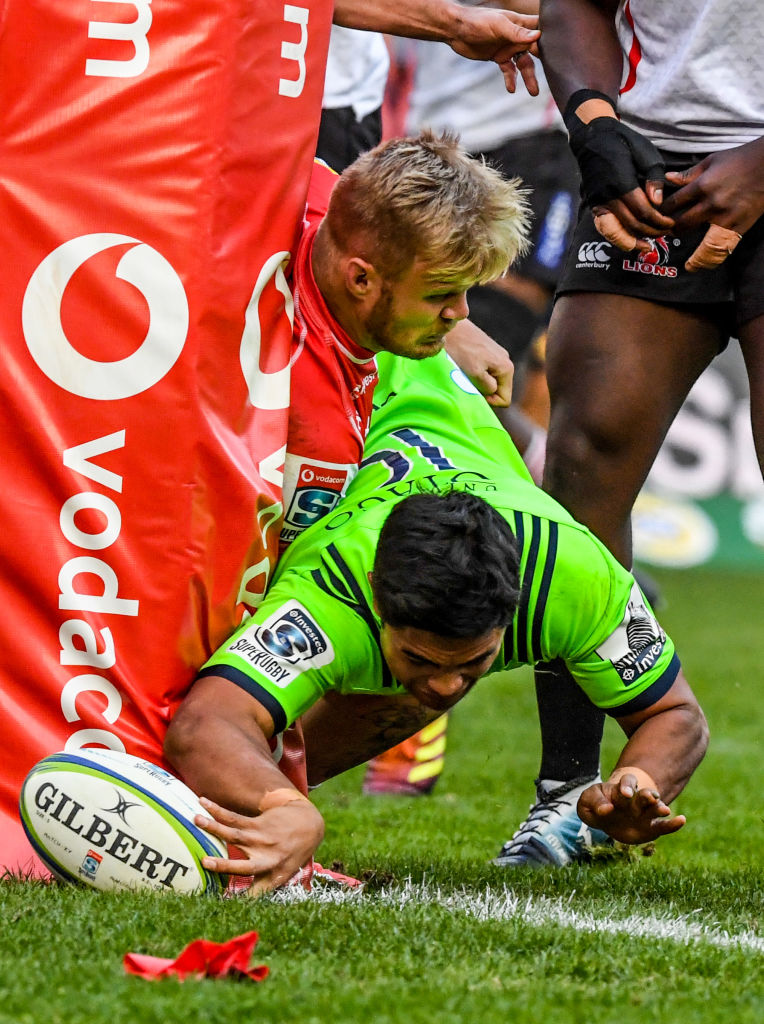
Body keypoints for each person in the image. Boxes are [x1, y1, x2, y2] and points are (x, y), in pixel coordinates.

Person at [164, 350, 708, 893]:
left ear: (516, 606)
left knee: (404, 693)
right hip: (336, 377)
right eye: (421, 655)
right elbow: (206, 723)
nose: (449, 685)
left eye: (474, 662)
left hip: (431, 393)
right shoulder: (329, 592)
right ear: (376, 597)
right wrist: (281, 804)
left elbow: (676, 713)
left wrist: (636, 782)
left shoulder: (574, 576)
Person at [490, 0, 764, 867]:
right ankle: (565, 795)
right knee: (578, 468)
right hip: (656, 176)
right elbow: (575, 2)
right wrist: (596, 125)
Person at [281, 129, 530, 550]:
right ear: (360, 277)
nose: (463, 313)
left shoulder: (308, 181)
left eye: (466, 291)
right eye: (440, 294)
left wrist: (453, 330)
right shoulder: (319, 447)